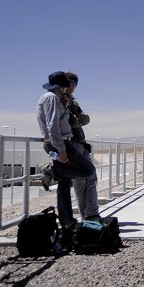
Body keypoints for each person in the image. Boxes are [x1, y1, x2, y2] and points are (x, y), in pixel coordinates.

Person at [36, 71, 96, 247]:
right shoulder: (52, 98)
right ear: (62, 84)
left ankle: (67, 222)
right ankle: (51, 170)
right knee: (88, 170)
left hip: (62, 143)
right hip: (62, 144)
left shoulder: (58, 98)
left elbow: (83, 119)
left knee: (64, 184)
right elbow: (53, 125)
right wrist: (61, 149)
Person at [64, 72, 100, 221]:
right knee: (80, 181)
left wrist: (77, 118)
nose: (71, 86)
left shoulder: (73, 102)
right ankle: (86, 214)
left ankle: (91, 213)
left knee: (91, 178)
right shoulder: (61, 100)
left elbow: (85, 119)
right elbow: (71, 122)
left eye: (74, 83)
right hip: (71, 144)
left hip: (81, 143)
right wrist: (77, 118)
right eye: (69, 82)